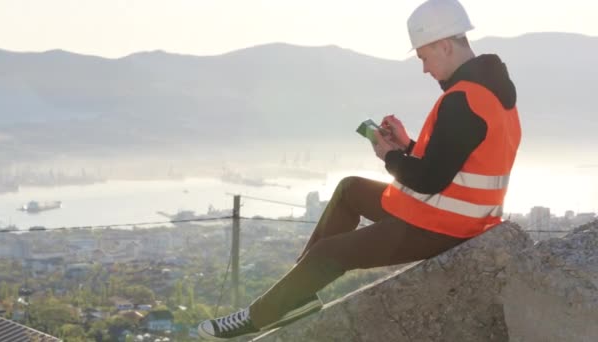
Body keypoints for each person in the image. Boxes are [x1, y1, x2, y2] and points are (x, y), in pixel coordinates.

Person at [198, 0, 521, 339]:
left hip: (444, 226)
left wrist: (388, 156)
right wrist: (407, 146)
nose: (424, 68)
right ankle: (296, 295)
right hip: (450, 215)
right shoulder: (489, 92)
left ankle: (260, 314)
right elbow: (454, 160)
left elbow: (429, 179)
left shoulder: (463, 99)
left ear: (444, 45)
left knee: (329, 254)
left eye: (424, 57)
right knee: (350, 189)